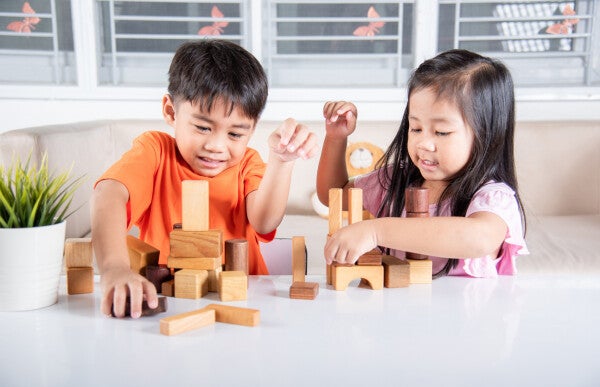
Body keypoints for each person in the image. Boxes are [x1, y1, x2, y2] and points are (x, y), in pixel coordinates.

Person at [92, 39, 318, 318]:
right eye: (202, 127)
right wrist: (114, 267)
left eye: (235, 134)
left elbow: (264, 220)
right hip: (173, 303)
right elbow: (109, 194)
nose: (217, 145)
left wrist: (281, 162)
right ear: (170, 111)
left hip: (244, 303)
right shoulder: (155, 153)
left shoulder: (248, 163)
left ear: (252, 129)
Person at [317, 49, 528, 278]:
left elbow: (479, 238)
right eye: (416, 128)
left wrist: (377, 231)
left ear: (487, 135)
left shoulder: (491, 197)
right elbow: (333, 196)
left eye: (441, 132)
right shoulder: (395, 181)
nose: (423, 143)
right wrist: (336, 138)